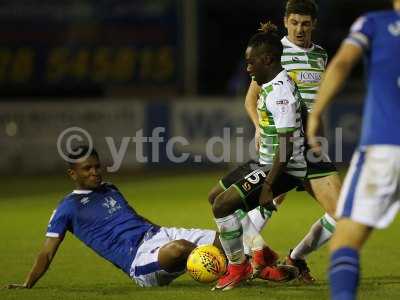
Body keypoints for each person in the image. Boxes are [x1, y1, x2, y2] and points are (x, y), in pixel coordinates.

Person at [209, 21, 338, 291]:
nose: (247, 68)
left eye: (250, 62)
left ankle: (238, 267)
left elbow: (288, 144)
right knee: (215, 197)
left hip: (284, 166)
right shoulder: (269, 82)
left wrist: (269, 187)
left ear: (266, 60)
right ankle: (258, 252)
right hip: (264, 161)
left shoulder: (280, 93)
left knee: (223, 206)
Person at [6, 146, 219, 289]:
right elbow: (46, 253)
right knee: (180, 249)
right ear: (73, 174)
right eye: (87, 169)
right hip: (138, 259)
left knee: (221, 239)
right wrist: (28, 284)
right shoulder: (67, 208)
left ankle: (244, 266)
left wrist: (161, 232)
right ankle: (223, 268)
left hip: (158, 234)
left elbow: (132, 218)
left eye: (97, 166)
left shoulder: (109, 188)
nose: (94, 172)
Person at [243, 0, 341, 283]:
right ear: (286, 21)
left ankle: (296, 259)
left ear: (314, 25)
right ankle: (241, 260)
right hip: (281, 144)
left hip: (309, 147)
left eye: (306, 23)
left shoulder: (320, 55)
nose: (300, 29)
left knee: (342, 213)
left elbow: (316, 100)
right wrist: (259, 127)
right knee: (268, 202)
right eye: (295, 22)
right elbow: (251, 98)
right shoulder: (274, 52)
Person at [307, 1, 400, 299]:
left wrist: (316, 113)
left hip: (386, 146)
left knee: (345, 240)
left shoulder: (374, 23)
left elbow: (343, 63)